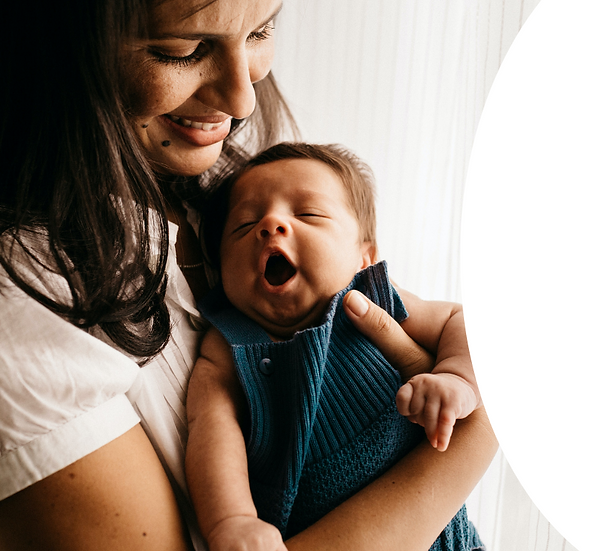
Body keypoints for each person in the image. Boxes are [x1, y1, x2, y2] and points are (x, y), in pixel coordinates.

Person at [0, 0, 497, 550]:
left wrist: (461, 374)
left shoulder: (218, 193)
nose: (243, 101)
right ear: (44, 49)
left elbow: (465, 330)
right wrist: (482, 427)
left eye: (261, 30)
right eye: (180, 51)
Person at [187, 143, 482, 551]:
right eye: (243, 225)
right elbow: (211, 427)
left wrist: (457, 377)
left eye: (307, 214)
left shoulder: (371, 298)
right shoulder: (229, 342)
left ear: (366, 256)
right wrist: (233, 519)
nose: (271, 223)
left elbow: (462, 320)